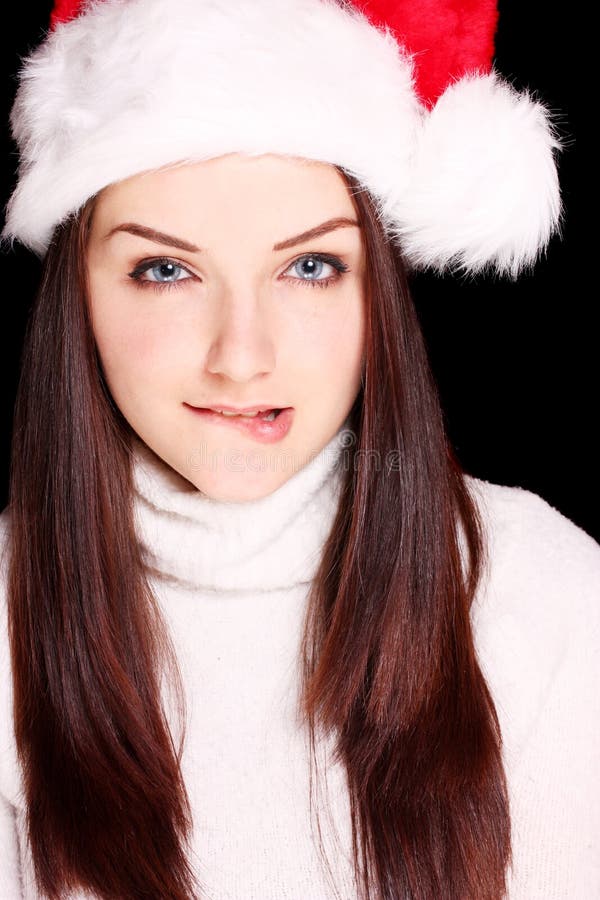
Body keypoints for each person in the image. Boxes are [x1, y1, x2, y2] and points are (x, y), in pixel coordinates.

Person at [0, 1, 597, 898]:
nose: (243, 356)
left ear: (378, 293)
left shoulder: (542, 591)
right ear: (75, 295)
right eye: (166, 270)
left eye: (310, 267)